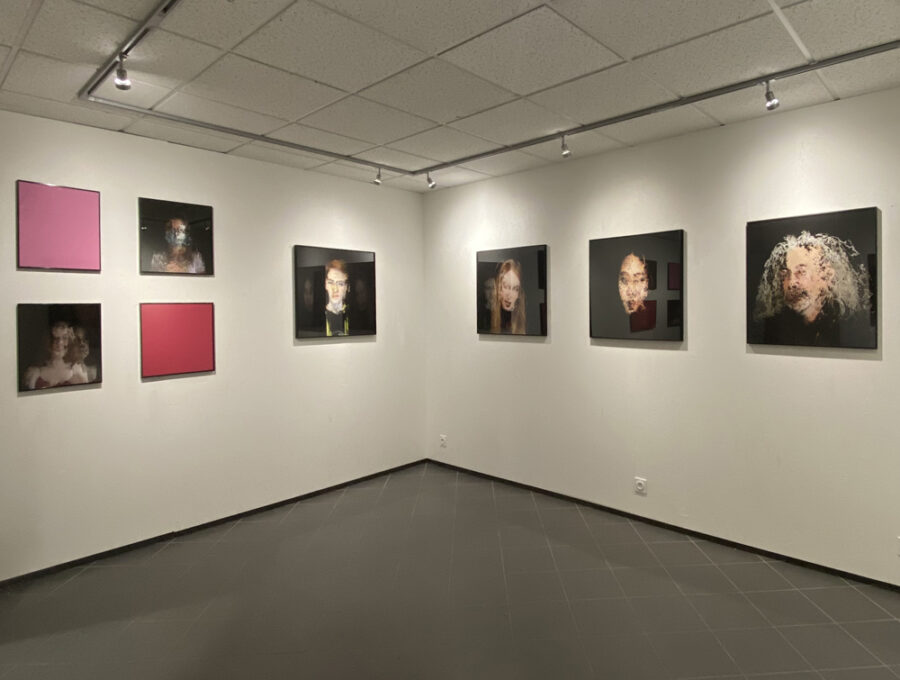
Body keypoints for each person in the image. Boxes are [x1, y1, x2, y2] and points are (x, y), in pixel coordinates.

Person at [753, 230, 871, 345]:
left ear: (826, 276)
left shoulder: (851, 328)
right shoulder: (774, 328)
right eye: (785, 274)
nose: (791, 283)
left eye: (801, 272)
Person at [23, 321, 79, 390]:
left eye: (64, 338)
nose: (60, 342)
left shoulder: (76, 371)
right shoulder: (34, 373)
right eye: (55, 338)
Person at [490, 259, 526, 334]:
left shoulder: (520, 321)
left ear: (519, 294)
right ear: (498, 287)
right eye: (506, 286)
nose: (509, 295)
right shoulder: (488, 318)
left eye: (515, 289)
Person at [324, 259, 350, 336]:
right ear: (325, 285)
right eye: (330, 282)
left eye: (340, 284)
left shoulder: (352, 315)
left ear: (347, 287)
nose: (335, 289)